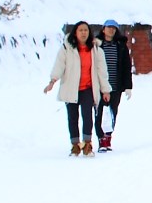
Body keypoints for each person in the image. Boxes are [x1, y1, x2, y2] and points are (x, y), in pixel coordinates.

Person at [43, 21, 106, 156]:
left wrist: (105, 89)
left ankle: (87, 144)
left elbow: (102, 71)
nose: (83, 33)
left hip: (88, 88)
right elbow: (59, 65)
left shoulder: (96, 50)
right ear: (75, 33)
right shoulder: (67, 49)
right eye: (80, 30)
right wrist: (52, 81)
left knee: (87, 116)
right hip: (71, 88)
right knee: (73, 117)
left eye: (86, 30)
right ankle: (75, 145)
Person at [95, 19, 135, 152]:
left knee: (112, 112)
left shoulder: (121, 46)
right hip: (99, 86)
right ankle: (101, 139)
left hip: (115, 86)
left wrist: (128, 86)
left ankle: (108, 137)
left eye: (114, 28)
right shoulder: (96, 45)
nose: (111, 30)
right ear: (103, 29)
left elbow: (126, 67)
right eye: (109, 28)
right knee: (99, 112)